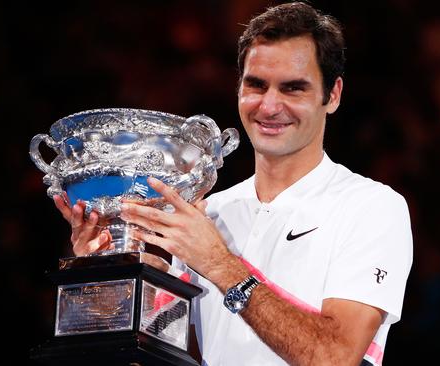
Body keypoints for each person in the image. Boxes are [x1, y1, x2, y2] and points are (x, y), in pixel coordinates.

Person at [54, 2, 413, 365]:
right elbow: (160, 344)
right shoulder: (207, 213)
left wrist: (219, 264)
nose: (270, 106)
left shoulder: (372, 207)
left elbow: (334, 358)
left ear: (332, 95)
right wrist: (107, 265)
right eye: (257, 85)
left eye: (293, 89)